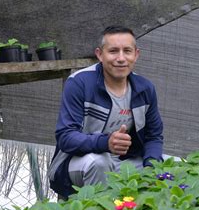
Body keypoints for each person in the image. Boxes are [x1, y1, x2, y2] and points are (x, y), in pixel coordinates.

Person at [48, 26, 163, 199]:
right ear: (100, 54)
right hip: (77, 163)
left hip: (123, 163)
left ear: (136, 54)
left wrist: (152, 170)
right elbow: (66, 137)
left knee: (170, 167)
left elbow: (154, 136)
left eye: (127, 51)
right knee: (99, 162)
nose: (121, 58)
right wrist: (106, 142)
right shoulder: (80, 83)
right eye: (113, 51)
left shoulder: (145, 89)